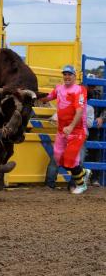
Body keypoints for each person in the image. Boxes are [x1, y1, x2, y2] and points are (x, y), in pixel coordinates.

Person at [40, 65, 90, 194]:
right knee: (58, 158)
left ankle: (81, 183)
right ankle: (84, 173)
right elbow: (48, 97)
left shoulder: (79, 90)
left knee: (70, 160)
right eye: (65, 74)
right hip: (62, 131)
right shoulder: (59, 88)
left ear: (74, 76)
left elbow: (79, 111)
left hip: (77, 130)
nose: (67, 76)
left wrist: (71, 126)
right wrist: (35, 97)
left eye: (70, 74)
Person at [45, 104, 94, 190]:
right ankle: (49, 184)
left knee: (78, 161)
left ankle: (73, 184)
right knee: (56, 159)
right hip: (66, 136)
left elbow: (89, 124)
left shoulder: (89, 108)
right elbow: (55, 117)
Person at [85, 73, 104, 186]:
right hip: (82, 126)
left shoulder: (99, 94)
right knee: (82, 152)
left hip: (94, 127)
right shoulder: (80, 93)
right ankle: (82, 177)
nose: (91, 88)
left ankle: (94, 178)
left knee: (95, 152)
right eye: (89, 85)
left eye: (93, 85)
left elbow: (104, 109)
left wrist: (102, 117)